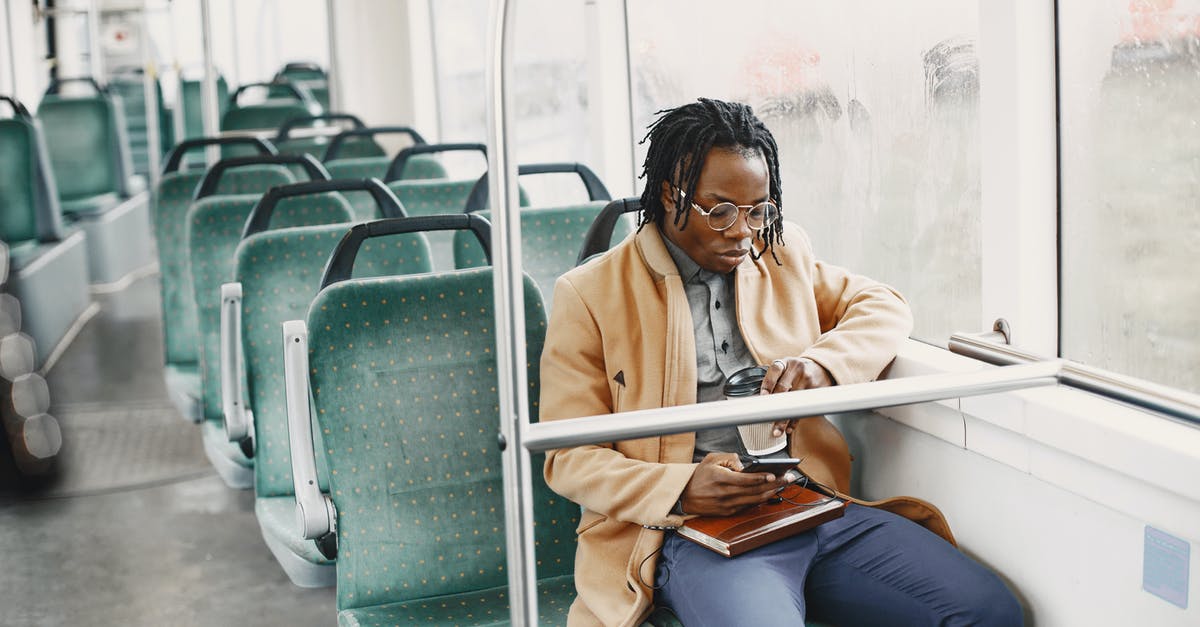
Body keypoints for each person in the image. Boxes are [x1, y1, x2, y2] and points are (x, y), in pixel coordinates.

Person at [540, 98, 1022, 627]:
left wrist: (823, 366)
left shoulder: (780, 252)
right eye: (720, 210)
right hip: (686, 532)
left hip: (810, 504)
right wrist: (680, 486)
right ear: (668, 195)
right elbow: (569, 457)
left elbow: (883, 304)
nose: (742, 231)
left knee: (988, 613)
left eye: (758, 210)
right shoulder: (590, 295)